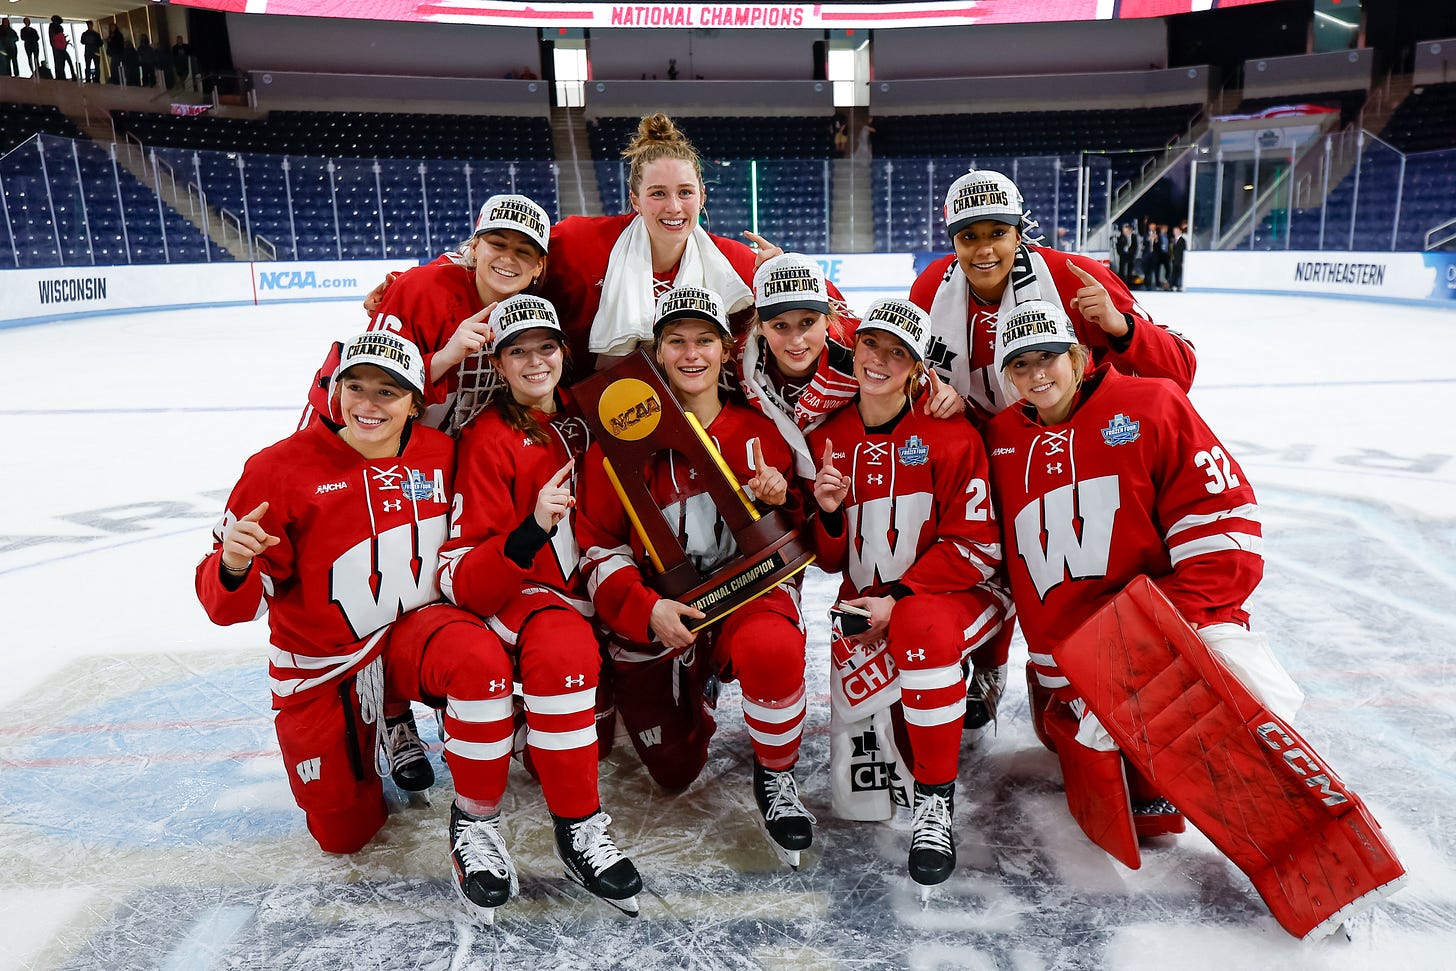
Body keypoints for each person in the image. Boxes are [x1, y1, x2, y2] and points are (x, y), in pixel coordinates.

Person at [983, 300, 1405, 938]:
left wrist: (1150, 648)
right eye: (1019, 365)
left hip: (1170, 638)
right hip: (1072, 681)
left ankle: (1318, 860)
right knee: (1146, 820)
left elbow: (1226, 532)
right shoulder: (1004, 438)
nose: (1036, 374)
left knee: (1232, 713)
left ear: (1077, 355)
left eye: (1047, 357)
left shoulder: (1152, 405)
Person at [195, 331, 536, 924]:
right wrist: (232, 564)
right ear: (336, 390)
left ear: (414, 400)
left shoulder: (440, 452)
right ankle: (377, 723)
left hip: (414, 635)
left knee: (478, 659)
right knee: (343, 834)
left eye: (389, 391)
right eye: (357, 387)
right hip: (327, 662)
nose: (370, 404)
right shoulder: (277, 470)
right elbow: (224, 609)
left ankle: (464, 807)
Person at [577, 285, 816, 869]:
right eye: (675, 341)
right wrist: (642, 607)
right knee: (672, 773)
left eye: (704, 340)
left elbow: (802, 532)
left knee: (773, 645)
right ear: (655, 354)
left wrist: (781, 500)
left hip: (744, 601)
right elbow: (597, 546)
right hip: (667, 611)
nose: (691, 354)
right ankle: (693, 690)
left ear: (727, 347)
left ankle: (776, 777)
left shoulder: (761, 429)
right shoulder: (616, 442)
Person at [437, 294, 642, 916]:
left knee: (611, 741)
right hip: (537, 601)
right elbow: (470, 573)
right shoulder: (487, 438)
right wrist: (530, 530)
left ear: (565, 352)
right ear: (498, 364)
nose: (534, 361)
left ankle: (546, 743)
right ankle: (574, 825)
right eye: (517, 351)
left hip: (606, 590)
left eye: (545, 347)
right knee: (564, 651)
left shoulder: (592, 414)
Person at [804, 298, 1010, 898]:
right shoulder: (832, 438)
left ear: (919, 369)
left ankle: (935, 805)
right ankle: (925, 716)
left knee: (919, 631)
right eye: (873, 345)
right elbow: (829, 560)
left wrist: (898, 596)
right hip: (870, 602)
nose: (881, 361)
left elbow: (978, 546)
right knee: (865, 797)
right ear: (855, 346)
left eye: (900, 354)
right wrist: (829, 512)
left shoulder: (949, 434)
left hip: (959, 594)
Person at [908, 169, 1196, 427]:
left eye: (998, 233)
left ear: (1019, 236)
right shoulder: (930, 288)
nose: (985, 250)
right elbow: (908, 382)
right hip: (984, 456)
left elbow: (1181, 372)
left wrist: (1122, 327)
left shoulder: (1073, 277)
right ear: (952, 241)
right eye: (969, 237)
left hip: (1076, 446)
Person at [536, 112, 764, 371]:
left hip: (693, 405)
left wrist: (776, 274)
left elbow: (817, 299)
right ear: (635, 201)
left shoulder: (730, 261)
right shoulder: (579, 241)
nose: (674, 206)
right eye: (658, 193)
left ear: (702, 196)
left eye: (685, 192)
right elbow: (512, 262)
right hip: (585, 401)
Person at [321, 194, 551, 431]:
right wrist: (444, 358)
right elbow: (370, 392)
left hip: (455, 449)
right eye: (497, 244)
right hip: (374, 439)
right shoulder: (420, 290)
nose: (507, 258)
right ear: (474, 247)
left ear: (539, 266)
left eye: (523, 251)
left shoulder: (538, 310)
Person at [1113, 223, 1139, 289]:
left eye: (1127, 230)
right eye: (1124, 230)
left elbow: (1135, 246)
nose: (1125, 232)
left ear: (1130, 230)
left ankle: (1129, 285)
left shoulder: (1133, 236)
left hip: (1131, 256)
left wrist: (1133, 254)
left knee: (1130, 271)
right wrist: (1120, 253)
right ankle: (1122, 285)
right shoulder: (1121, 237)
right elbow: (1118, 246)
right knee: (1122, 270)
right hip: (1123, 255)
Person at [48, 16, 73, 80]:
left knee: (60, 63)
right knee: (62, 62)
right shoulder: (55, 27)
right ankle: (64, 76)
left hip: (58, 48)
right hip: (59, 48)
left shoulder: (52, 28)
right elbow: (57, 38)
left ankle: (61, 76)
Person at [1169, 224, 1187, 291]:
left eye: (1176, 230)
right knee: (1174, 273)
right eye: (1174, 231)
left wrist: (1182, 261)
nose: (1175, 232)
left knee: (1179, 273)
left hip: (1179, 260)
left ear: (1180, 231)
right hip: (1174, 260)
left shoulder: (1182, 240)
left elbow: (1182, 251)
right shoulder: (1174, 240)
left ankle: (1179, 285)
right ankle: (1173, 285)